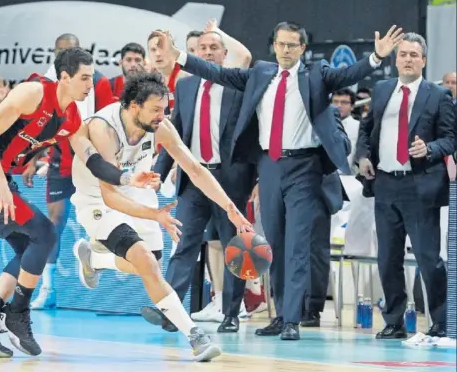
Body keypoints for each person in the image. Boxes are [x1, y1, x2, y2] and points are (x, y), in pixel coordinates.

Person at [151, 22, 403, 340]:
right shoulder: (260, 74)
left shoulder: (315, 75)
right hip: (269, 166)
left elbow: (347, 76)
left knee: (298, 245)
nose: (285, 50)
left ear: (302, 49)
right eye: (281, 44)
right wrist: (179, 56)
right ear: (274, 45)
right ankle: (281, 313)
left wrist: (375, 59)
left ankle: (292, 320)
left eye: (292, 45)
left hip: (304, 167)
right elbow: (217, 73)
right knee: (276, 245)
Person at [0, 47, 159, 358]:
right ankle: (16, 315)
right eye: (84, 78)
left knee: (29, 249)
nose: (90, 84)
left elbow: (91, 159)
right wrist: (0, 183)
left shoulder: (72, 117)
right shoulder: (32, 92)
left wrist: (127, 179)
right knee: (45, 233)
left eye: (92, 77)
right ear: (64, 77)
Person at [70, 71, 253, 361]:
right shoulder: (104, 129)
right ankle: (195, 336)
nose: (162, 115)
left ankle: (95, 259)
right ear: (134, 106)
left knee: (150, 264)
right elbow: (110, 194)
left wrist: (231, 208)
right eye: (156, 109)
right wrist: (155, 214)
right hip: (98, 199)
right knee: (144, 260)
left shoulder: (161, 126)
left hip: (136, 189)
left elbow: (195, 169)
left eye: (165, 109)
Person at [149, 31, 256, 334]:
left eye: (213, 48)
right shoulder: (185, 85)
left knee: (234, 246)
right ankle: (171, 311)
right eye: (201, 48)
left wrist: (256, 179)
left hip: (229, 180)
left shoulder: (239, 85)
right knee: (184, 243)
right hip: (193, 178)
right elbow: (176, 135)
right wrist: (159, 172)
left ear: (224, 54)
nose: (207, 52)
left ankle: (232, 313)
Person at [356, 32, 455, 339]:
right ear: (395, 59)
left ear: (424, 60)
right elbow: (366, 128)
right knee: (388, 258)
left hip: (420, 185)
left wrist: (431, 149)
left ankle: (441, 321)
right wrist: (362, 157)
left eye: (414, 54)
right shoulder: (383, 88)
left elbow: (450, 138)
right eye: (403, 54)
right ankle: (394, 321)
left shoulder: (438, 95)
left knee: (428, 258)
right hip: (385, 183)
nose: (408, 59)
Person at [25, 33, 117, 310]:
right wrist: (31, 158)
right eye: (61, 51)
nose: (66, 54)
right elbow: (34, 126)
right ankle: (48, 288)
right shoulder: (42, 83)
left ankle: (97, 264)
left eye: (72, 49)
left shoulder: (97, 80)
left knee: (103, 216)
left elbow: (109, 121)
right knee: (55, 220)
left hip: (90, 159)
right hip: (58, 160)